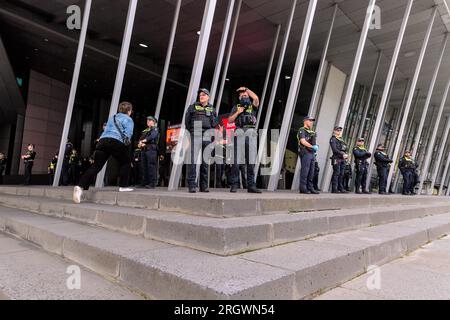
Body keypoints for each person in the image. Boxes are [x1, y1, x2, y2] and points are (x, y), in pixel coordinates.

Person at [73, 102, 135, 204]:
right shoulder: (128, 119)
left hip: (102, 141)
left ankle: (79, 186)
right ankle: (123, 186)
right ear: (129, 111)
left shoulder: (112, 117)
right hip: (116, 141)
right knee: (126, 162)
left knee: (96, 166)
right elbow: (128, 134)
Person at [228, 87, 262, 194]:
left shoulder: (253, 106)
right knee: (236, 161)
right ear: (239, 98)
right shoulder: (236, 107)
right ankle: (234, 185)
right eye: (242, 96)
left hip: (251, 132)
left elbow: (256, 98)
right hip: (239, 131)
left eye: (245, 95)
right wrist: (237, 113)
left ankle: (251, 186)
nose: (244, 97)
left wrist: (247, 89)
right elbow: (229, 120)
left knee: (251, 162)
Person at [185, 88, 217, 193]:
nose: (201, 96)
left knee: (205, 162)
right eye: (200, 94)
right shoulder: (192, 107)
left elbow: (215, 123)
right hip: (196, 133)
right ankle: (192, 185)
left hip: (207, 135)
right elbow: (187, 122)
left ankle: (204, 186)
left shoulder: (212, 109)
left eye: (204, 94)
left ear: (208, 97)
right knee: (193, 161)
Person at [297, 116, 320, 194]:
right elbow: (303, 141)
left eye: (312, 121)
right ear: (305, 121)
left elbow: (314, 143)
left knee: (311, 171)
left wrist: (316, 147)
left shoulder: (312, 132)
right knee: (305, 171)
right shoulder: (302, 130)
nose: (311, 122)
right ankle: (303, 188)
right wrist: (312, 146)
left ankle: (310, 187)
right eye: (310, 120)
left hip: (312, 153)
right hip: (305, 152)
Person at [139, 116, 160, 189]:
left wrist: (145, 140)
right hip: (144, 149)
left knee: (151, 166)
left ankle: (152, 183)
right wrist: (140, 143)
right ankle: (145, 182)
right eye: (147, 120)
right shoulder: (146, 130)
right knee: (144, 166)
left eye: (150, 120)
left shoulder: (155, 129)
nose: (148, 121)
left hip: (151, 149)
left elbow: (153, 136)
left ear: (154, 122)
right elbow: (140, 139)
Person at [329, 126, 349, 193]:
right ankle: (334, 189)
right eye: (337, 130)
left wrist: (346, 154)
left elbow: (345, 148)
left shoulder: (341, 139)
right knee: (336, 173)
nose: (339, 132)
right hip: (336, 158)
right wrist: (342, 154)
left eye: (340, 131)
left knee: (341, 174)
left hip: (342, 159)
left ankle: (340, 188)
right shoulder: (333, 139)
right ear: (334, 131)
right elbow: (334, 149)